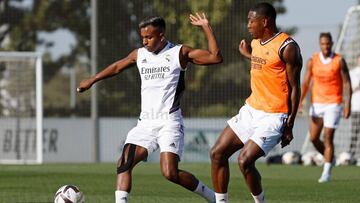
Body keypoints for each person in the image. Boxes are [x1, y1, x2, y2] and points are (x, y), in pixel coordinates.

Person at [77, 13, 222, 203]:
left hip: (169, 121)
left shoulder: (179, 53)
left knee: (170, 173)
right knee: (124, 163)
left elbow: (215, 57)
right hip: (145, 123)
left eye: (149, 37)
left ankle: (213, 197)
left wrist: (206, 26)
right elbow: (117, 67)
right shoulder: (140, 55)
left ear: (161, 35)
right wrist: (93, 79)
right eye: (142, 37)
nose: (145, 41)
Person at [210, 2, 302, 203]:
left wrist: (290, 125)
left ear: (265, 21)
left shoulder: (288, 48)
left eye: (251, 21)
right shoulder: (255, 42)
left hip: (274, 116)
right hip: (251, 110)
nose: (248, 26)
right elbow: (266, 65)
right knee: (217, 153)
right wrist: (248, 56)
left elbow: (295, 88)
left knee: (244, 161)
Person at [299, 32, 352, 183]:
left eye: (328, 44)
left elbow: (347, 83)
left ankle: (326, 172)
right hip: (317, 104)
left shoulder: (339, 61)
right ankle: (330, 157)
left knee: (328, 137)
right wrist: (300, 101)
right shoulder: (313, 60)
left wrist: (347, 103)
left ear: (332, 43)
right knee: (314, 138)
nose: (326, 46)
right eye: (323, 44)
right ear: (319, 44)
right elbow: (305, 82)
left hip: (334, 103)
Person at [349, 56, 360, 158]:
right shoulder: (353, 73)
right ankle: (351, 154)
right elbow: (350, 88)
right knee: (355, 131)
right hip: (356, 107)